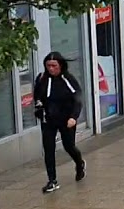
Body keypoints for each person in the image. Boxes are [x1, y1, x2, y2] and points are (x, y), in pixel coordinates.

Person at [33, 52, 85, 193]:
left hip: (66, 119)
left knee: (69, 146)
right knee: (48, 150)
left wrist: (73, 117)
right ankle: (52, 180)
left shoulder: (68, 79)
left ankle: (79, 163)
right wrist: (38, 106)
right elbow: (37, 95)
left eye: (54, 66)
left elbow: (77, 100)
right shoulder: (42, 79)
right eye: (48, 66)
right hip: (48, 120)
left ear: (60, 65)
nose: (51, 69)